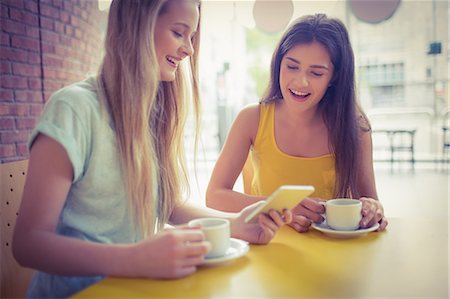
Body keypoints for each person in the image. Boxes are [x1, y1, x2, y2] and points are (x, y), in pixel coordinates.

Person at [12, 1, 292, 298]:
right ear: (138, 27)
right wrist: (136, 258)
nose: (189, 50)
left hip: (134, 289)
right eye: (178, 33)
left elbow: (168, 204)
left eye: (192, 37)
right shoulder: (73, 109)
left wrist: (234, 224)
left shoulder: (152, 113)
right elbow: (29, 244)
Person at [206, 14, 388, 234]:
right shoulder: (252, 119)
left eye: (316, 73)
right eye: (292, 67)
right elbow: (215, 196)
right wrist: (278, 206)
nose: (301, 82)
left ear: (334, 77)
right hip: (266, 246)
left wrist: (373, 209)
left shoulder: (355, 129)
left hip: (333, 254)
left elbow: (369, 203)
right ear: (278, 63)